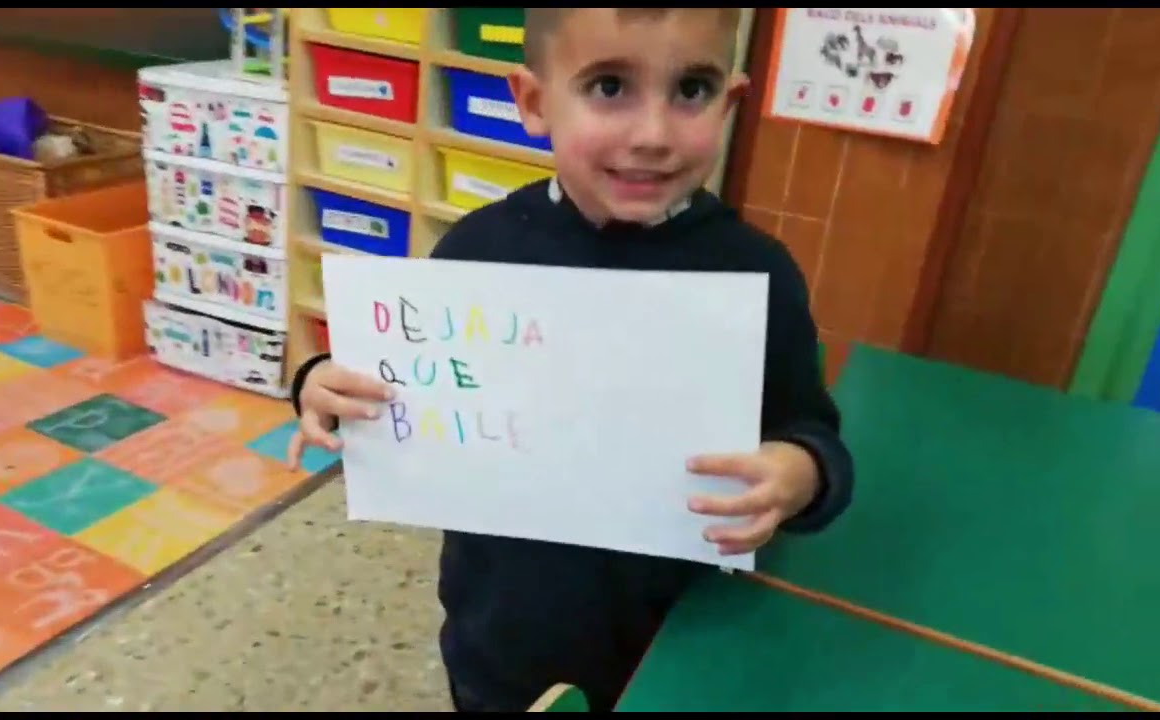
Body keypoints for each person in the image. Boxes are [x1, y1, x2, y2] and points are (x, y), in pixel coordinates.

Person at [287, 7, 855, 712]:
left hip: (687, 642)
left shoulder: (755, 274)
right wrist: (316, 385)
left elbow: (814, 435)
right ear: (533, 102)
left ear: (730, 101)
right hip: (502, 638)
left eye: (691, 90)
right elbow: (391, 389)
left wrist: (796, 475)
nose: (653, 135)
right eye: (610, 87)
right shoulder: (476, 252)